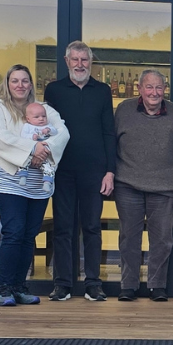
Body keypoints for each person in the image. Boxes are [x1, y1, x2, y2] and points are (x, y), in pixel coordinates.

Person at [0, 64, 69, 307]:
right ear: (7, 83)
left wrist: (45, 149)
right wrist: (33, 149)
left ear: (31, 84)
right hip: (8, 178)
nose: (20, 85)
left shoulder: (44, 109)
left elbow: (62, 132)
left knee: (29, 234)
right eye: (15, 80)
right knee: (14, 231)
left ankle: (20, 287)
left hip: (37, 181)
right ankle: (4, 289)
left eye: (25, 81)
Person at [43, 41, 116, 302]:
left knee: (92, 227)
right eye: (75, 59)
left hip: (94, 171)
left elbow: (109, 132)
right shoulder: (53, 90)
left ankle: (93, 283)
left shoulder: (103, 91)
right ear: (66, 61)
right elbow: (46, 130)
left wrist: (110, 171)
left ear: (91, 62)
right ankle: (63, 283)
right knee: (63, 228)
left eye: (84, 60)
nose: (80, 64)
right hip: (62, 170)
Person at [112, 70, 173, 302]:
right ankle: (128, 286)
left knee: (162, 240)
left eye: (159, 88)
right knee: (129, 238)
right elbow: (111, 145)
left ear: (164, 89)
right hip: (127, 185)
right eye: (149, 87)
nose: (154, 93)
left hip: (165, 187)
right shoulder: (124, 111)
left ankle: (157, 286)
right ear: (139, 89)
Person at [18, 103, 58, 191]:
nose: (41, 119)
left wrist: (49, 130)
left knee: (49, 166)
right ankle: (23, 175)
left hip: (44, 153)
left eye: (43, 116)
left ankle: (47, 182)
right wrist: (32, 137)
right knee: (23, 160)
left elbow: (55, 132)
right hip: (30, 151)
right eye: (36, 117)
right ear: (28, 119)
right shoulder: (27, 126)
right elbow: (23, 136)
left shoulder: (48, 125)